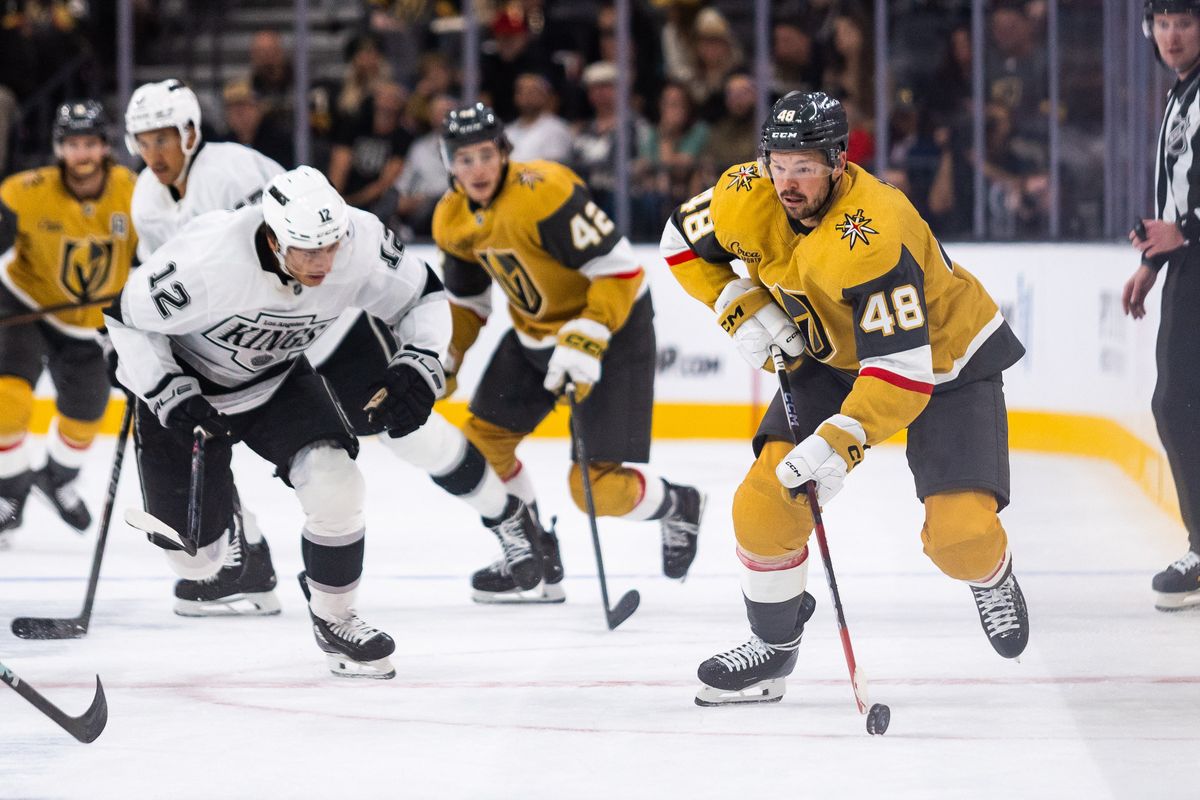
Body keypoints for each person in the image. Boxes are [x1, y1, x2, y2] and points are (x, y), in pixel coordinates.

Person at [660, 90, 1029, 706]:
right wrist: (738, 304)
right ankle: (773, 651)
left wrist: (840, 443)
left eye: (804, 165)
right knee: (763, 505)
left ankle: (991, 574)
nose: (787, 181)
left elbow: (901, 373)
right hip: (829, 355)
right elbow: (679, 241)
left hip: (941, 362)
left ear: (837, 161)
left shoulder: (874, 232)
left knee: (959, 538)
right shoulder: (743, 191)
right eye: (778, 163)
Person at [104, 166, 449, 678]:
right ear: (272, 235)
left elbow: (421, 294)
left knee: (338, 485)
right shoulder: (208, 259)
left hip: (278, 379)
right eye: (307, 250)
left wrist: (420, 360)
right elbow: (126, 324)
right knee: (197, 560)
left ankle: (335, 617)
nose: (324, 263)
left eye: (331, 246)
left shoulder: (359, 240)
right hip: (190, 391)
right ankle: (237, 526)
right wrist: (166, 393)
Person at [433, 102, 705, 601]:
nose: (477, 169)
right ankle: (536, 552)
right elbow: (471, 302)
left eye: (486, 155)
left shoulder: (545, 192)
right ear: (447, 161)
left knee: (595, 491)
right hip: (534, 336)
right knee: (480, 447)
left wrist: (587, 335)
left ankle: (679, 505)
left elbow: (618, 269)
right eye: (464, 158)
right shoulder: (450, 218)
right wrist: (448, 357)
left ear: (504, 153)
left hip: (615, 331)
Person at [125, 78, 287, 615]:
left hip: (277, 328)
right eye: (143, 142)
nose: (154, 154)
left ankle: (258, 559)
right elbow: (160, 283)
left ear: (191, 132)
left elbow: (280, 256)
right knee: (189, 425)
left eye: (163, 138)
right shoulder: (146, 194)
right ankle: (247, 556)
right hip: (216, 335)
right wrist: (137, 350)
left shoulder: (232, 170)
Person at [0, 101, 137, 545]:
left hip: (89, 322)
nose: (82, 154)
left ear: (105, 148)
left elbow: (161, 252)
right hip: (26, 306)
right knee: (8, 403)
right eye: (73, 144)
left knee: (86, 416)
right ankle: (11, 490)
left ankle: (55, 479)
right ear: (60, 148)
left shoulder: (134, 192)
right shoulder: (24, 191)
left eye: (90, 144)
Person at [1127, 0, 1200, 612]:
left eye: (1186, 21)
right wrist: (1154, 258)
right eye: (1163, 23)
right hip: (1189, 265)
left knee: (1178, 401)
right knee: (1175, 401)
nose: (1171, 36)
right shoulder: (1182, 95)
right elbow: (1176, 192)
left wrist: (1188, 231)